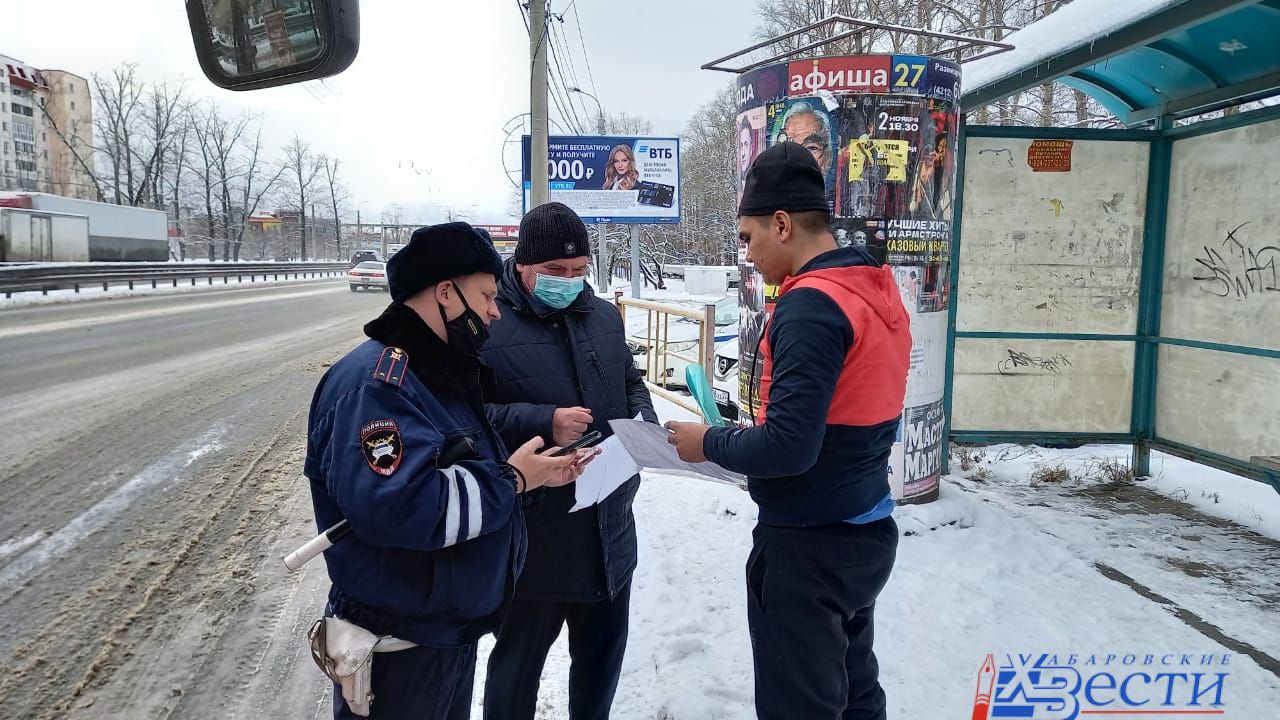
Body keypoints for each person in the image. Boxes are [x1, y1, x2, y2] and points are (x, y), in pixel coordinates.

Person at [303, 222, 592, 720]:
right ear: (444, 293)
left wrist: (531, 477)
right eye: (485, 295)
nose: (494, 311)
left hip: (438, 635)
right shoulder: (379, 386)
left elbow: (462, 474)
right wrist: (512, 480)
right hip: (399, 650)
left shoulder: (434, 373)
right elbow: (400, 506)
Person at [665, 142, 912, 720]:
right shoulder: (872, 289)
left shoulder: (810, 306)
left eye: (748, 238)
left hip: (809, 544)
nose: (746, 254)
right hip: (864, 527)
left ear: (781, 224)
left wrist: (709, 443)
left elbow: (788, 448)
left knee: (800, 704)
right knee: (854, 693)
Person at [481, 202, 658, 720]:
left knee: (599, 675)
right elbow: (468, 418)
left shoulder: (603, 314)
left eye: (579, 271)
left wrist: (642, 427)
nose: (569, 281)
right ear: (522, 265)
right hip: (535, 542)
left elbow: (630, 383)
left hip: (609, 532)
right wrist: (544, 421)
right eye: (554, 272)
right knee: (515, 675)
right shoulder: (488, 325)